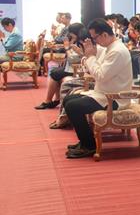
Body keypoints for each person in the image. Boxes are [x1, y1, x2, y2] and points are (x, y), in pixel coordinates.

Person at [64, 19, 133, 159]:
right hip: (104, 93)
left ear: (104, 35)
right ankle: (85, 141)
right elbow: (97, 71)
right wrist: (88, 56)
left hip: (114, 98)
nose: (95, 42)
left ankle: (89, 145)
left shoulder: (117, 51)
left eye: (95, 38)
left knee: (73, 106)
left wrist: (89, 56)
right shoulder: (110, 48)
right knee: (68, 100)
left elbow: (100, 75)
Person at [34, 23, 88, 110]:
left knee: (55, 74)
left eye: (71, 32)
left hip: (76, 68)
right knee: (55, 72)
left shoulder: (81, 42)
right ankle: (55, 99)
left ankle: (49, 101)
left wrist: (67, 48)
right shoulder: (74, 40)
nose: (69, 34)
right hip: (70, 67)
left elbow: (73, 60)